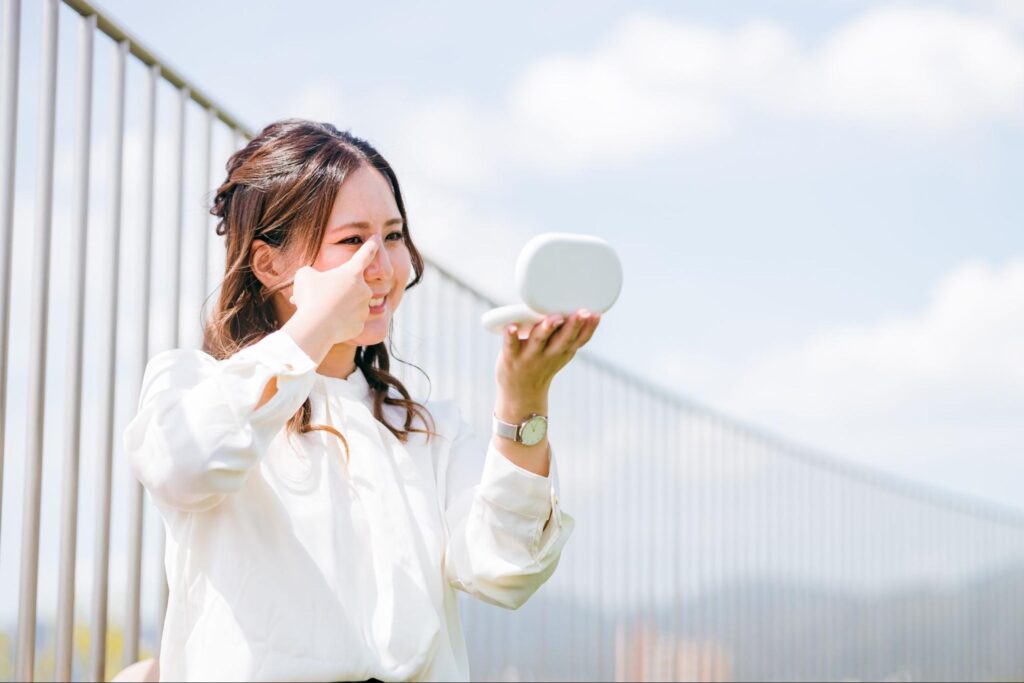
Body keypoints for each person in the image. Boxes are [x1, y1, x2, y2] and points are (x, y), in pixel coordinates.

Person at [122, 119, 601, 682]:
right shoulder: (192, 385)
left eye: (393, 237)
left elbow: (506, 568)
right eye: (352, 241)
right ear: (269, 265)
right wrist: (314, 328)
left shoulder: (426, 429)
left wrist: (525, 399)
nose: (385, 268)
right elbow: (186, 464)